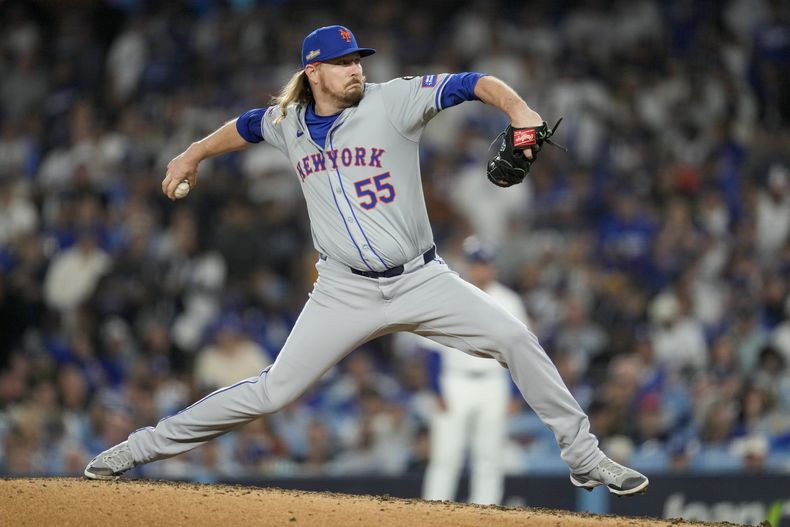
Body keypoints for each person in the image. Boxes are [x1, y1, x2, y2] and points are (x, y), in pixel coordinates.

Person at [84, 24, 649, 496]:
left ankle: (584, 457)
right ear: (313, 72)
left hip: (422, 278)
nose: (355, 69)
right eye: (341, 62)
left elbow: (473, 83)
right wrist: (192, 152)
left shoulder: (393, 100)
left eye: (356, 59)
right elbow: (247, 126)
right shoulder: (289, 124)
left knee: (516, 340)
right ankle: (136, 450)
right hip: (342, 291)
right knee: (273, 390)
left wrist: (522, 112)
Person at [420, 236, 527, 505]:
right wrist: (436, 388)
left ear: (494, 267)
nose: (480, 269)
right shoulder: (447, 295)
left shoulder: (510, 301)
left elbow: (518, 351)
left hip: (494, 383)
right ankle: (433, 513)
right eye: (476, 263)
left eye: (485, 263)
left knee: (489, 457)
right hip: (454, 382)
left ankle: (485, 512)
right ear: (467, 265)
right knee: (446, 455)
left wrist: (515, 393)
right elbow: (432, 349)